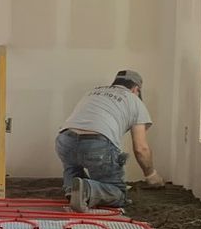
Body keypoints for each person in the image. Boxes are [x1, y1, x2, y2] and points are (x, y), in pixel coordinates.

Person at [56, 68, 164, 211]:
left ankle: (71, 188)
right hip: (97, 145)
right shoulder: (135, 100)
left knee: (73, 168)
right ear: (135, 89)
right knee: (117, 193)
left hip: (65, 140)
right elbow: (141, 148)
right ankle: (86, 190)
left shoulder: (93, 92)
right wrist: (151, 175)